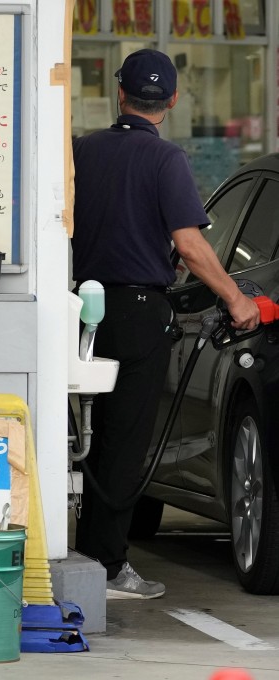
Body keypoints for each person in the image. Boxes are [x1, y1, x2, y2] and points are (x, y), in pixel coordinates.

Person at [71, 49, 259, 600]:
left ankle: (81, 552)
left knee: (87, 432)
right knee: (125, 440)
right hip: (135, 311)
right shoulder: (165, 160)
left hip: (80, 309)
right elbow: (191, 244)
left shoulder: (83, 152)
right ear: (172, 101)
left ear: (118, 92)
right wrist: (235, 297)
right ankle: (107, 564)